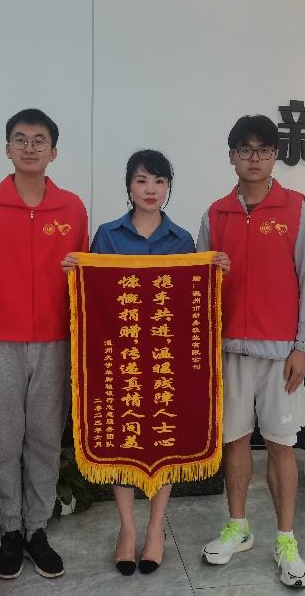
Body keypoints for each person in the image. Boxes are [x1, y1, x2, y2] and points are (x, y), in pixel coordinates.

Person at [63, 149, 229, 576]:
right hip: (121, 359)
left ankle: (156, 527)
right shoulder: (107, 236)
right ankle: (127, 529)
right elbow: (95, 295)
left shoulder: (182, 241)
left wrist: (214, 269)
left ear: (169, 187)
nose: (150, 189)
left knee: (165, 437)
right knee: (125, 437)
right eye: (141, 181)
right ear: (129, 187)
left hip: (166, 359)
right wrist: (76, 271)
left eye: (159, 181)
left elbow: (190, 301)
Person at [0, 108, 89, 581]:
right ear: (8, 148)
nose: (30, 147)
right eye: (21, 139)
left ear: (54, 152)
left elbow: (83, 274)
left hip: (54, 339)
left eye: (39, 140)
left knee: (45, 437)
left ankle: (37, 529)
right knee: (4, 437)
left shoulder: (71, 208)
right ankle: (10, 529)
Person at [197, 114, 305, 589]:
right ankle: (238, 527)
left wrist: (304, 347)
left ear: (275, 156)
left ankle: (286, 539)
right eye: (245, 150)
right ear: (231, 156)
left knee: (281, 445)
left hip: (280, 353)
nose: (254, 158)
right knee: (234, 441)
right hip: (228, 349)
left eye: (263, 150)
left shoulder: (298, 210)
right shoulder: (215, 215)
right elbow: (198, 286)